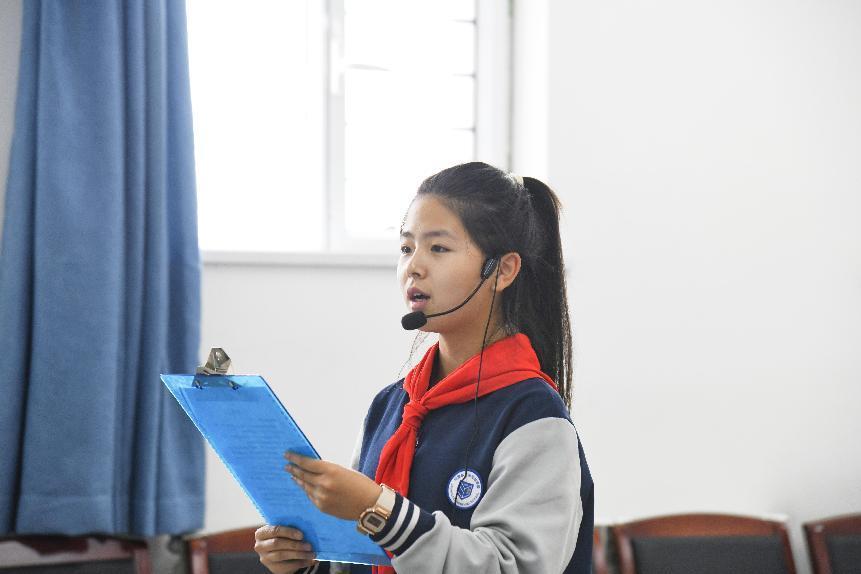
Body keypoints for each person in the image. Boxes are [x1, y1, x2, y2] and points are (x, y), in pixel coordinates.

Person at [254, 162, 594, 573]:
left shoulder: (533, 415)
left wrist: (380, 509)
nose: (413, 266)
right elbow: (362, 559)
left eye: (438, 248)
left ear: (502, 270)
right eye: (406, 248)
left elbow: (511, 566)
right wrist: (306, 564)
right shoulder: (392, 405)